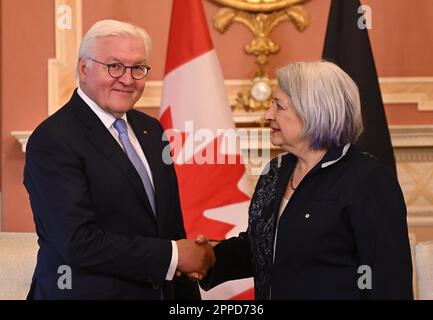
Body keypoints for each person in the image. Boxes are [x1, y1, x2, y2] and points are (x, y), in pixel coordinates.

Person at [24, 19, 214, 300]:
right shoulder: (53, 139)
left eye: (138, 68)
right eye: (114, 66)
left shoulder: (152, 130)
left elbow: (170, 227)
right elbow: (76, 241)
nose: (127, 79)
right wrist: (173, 256)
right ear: (83, 67)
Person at [199, 61, 413, 299]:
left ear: (314, 111)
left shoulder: (368, 179)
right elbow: (263, 246)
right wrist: (207, 258)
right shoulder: (275, 171)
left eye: (279, 106)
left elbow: (389, 279)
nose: (267, 115)